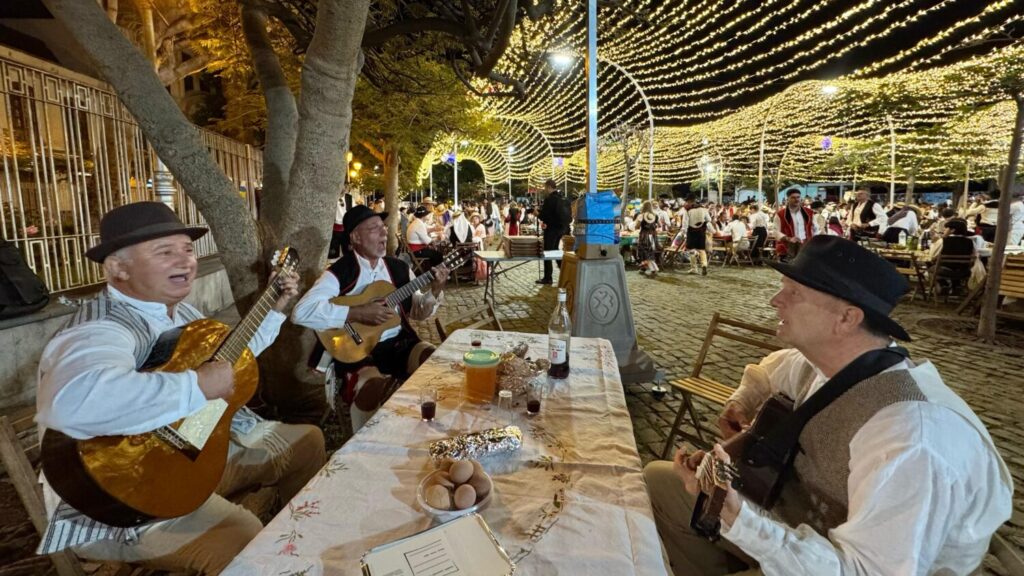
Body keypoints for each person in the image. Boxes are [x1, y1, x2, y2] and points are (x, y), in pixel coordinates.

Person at [644, 235, 1012, 576]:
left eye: (794, 293)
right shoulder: (819, 364)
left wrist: (740, 519)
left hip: (855, 564)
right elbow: (769, 370)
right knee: (658, 483)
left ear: (847, 318)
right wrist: (743, 402)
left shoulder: (910, 435)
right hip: (799, 522)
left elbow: (869, 570)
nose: (775, 300)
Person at [35, 202, 325, 574]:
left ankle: (299, 537)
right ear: (119, 268)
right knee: (246, 539)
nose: (185, 261)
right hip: (122, 504)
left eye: (187, 249)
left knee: (309, 442)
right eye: (164, 252)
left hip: (191, 455)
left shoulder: (181, 314)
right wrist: (196, 385)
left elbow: (230, 360)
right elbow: (73, 403)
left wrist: (273, 306)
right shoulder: (98, 329)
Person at [293, 205, 448, 430]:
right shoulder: (340, 271)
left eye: (383, 228)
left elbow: (418, 312)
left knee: (431, 359)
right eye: (374, 228)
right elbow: (301, 312)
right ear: (355, 237)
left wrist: (434, 291)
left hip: (398, 343)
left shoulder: (399, 268)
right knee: (370, 383)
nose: (384, 233)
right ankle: (364, 439)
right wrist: (357, 313)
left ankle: (421, 425)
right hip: (356, 349)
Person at [537, 178, 571, 285]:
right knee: (555, 250)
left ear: (549, 187)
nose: (545, 190)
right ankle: (564, 272)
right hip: (562, 229)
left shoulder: (550, 199)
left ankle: (548, 277)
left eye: (545, 187)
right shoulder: (562, 198)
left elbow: (544, 216)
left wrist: (537, 213)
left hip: (552, 229)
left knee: (547, 252)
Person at [773, 189, 814, 260]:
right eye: (793, 197)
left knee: (804, 270)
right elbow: (775, 231)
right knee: (786, 270)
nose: (796, 199)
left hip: (805, 247)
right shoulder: (780, 214)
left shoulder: (809, 213)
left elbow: (815, 229)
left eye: (798, 197)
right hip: (787, 247)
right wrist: (788, 239)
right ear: (787, 199)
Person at [686, 197, 712, 275]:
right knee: (701, 249)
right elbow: (709, 220)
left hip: (691, 231)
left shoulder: (689, 211)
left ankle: (694, 268)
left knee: (691, 250)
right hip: (701, 232)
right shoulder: (704, 210)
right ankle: (704, 264)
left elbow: (685, 222)